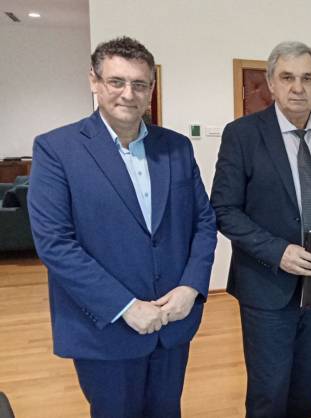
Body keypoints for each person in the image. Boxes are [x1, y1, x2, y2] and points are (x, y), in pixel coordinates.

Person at [28, 36, 217, 417]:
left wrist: (191, 287)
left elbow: (203, 221)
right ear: (94, 81)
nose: (128, 94)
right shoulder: (56, 149)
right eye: (116, 81)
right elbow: (55, 243)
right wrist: (125, 306)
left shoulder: (177, 148)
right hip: (106, 328)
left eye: (139, 84)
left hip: (172, 322)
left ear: (151, 89)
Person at [210, 41, 311, 418]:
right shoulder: (243, 134)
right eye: (287, 77)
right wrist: (277, 251)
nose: (297, 87)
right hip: (268, 286)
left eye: (307, 78)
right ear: (271, 83)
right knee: (269, 392)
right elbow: (224, 210)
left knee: (307, 388)